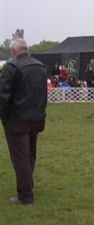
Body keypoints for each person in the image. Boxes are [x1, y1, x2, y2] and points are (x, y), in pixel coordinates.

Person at [0, 38, 47, 205]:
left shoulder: (11, 67)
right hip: (36, 118)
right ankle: (27, 185)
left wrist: (3, 116)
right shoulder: (40, 67)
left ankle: (26, 196)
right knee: (29, 155)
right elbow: (43, 94)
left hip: (17, 120)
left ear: (13, 52)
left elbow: (3, 95)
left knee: (20, 158)